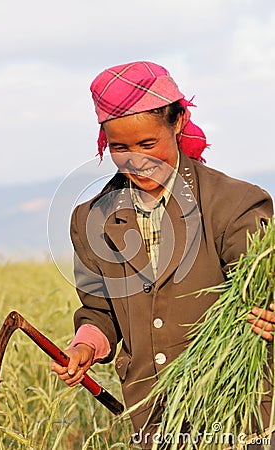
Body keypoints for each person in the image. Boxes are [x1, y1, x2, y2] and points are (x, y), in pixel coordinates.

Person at [51, 61, 274, 449]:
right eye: (119, 148)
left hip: (236, 414)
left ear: (178, 122)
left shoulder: (233, 204)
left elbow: (262, 291)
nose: (135, 160)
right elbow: (100, 310)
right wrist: (85, 345)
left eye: (147, 144)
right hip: (154, 417)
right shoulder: (91, 219)